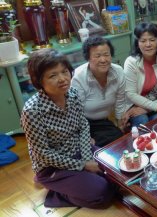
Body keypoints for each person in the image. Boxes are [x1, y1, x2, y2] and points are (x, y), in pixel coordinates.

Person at [20, 49, 114, 208]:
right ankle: (56, 193)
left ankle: (78, 182)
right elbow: (44, 154)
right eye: (52, 75)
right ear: (38, 81)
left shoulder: (72, 94)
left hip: (78, 150)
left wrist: (86, 158)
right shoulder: (32, 111)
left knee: (116, 173)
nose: (62, 79)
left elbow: (83, 125)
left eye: (64, 71)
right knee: (101, 194)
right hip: (52, 166)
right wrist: (83, 166)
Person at [71, 36, 125, 147]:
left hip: (102, 122)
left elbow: (120, 100)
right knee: (92, 149)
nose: (103, 60)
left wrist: (120, 123)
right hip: (82, 123)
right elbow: (75, 113)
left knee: (120, 141)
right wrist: (85, 137)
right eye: (98, 56)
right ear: (88, 58)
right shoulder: (79, 77)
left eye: (106, 54)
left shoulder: (118, 72)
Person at [122, 22, 157, 127]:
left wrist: (152, 107)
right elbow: (131, 94)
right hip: (135, 106)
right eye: (143, 41)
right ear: (137, 43)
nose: (148, 44)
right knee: (143, 123)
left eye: (152, 40)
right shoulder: (131, 62)